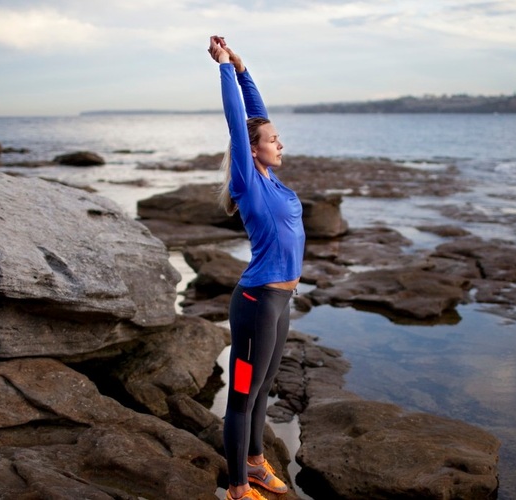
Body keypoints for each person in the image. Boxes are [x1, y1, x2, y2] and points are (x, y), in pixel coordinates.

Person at [207, 35, 304, 500]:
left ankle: (255, 463)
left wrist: (246, 72)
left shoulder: (275, 182)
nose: (279, 142)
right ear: (253, 149)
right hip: (256, 302)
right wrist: (225, 68)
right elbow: (238, 121)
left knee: (264, 386)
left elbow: (256, 117)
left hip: (281, 300)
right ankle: (239, 490)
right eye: (272, 140)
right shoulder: (248, 181)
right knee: (243, 396)